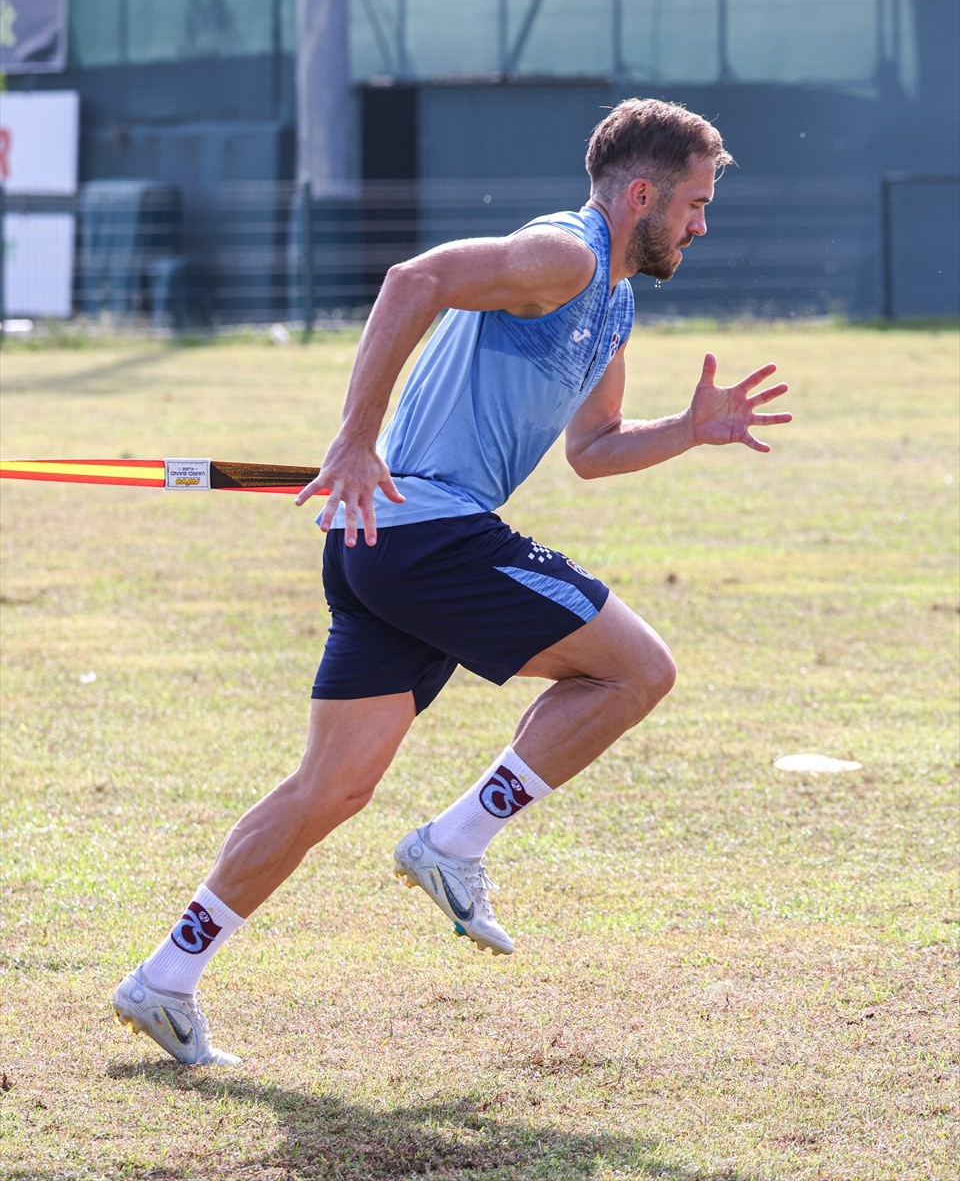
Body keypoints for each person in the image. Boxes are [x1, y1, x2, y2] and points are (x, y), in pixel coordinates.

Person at [113, 97, 792, 1066]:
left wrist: (690, 430)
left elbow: (592, 450)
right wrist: (353, 438)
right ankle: (455, 843)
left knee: (328, 789)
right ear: (639, 193)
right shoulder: (566, 255)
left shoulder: (616, 301)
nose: (701, 221)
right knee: (636, 672)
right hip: (424, 534)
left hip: (383, 546)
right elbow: (414, 278)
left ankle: (165, 979)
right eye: (691, 201)